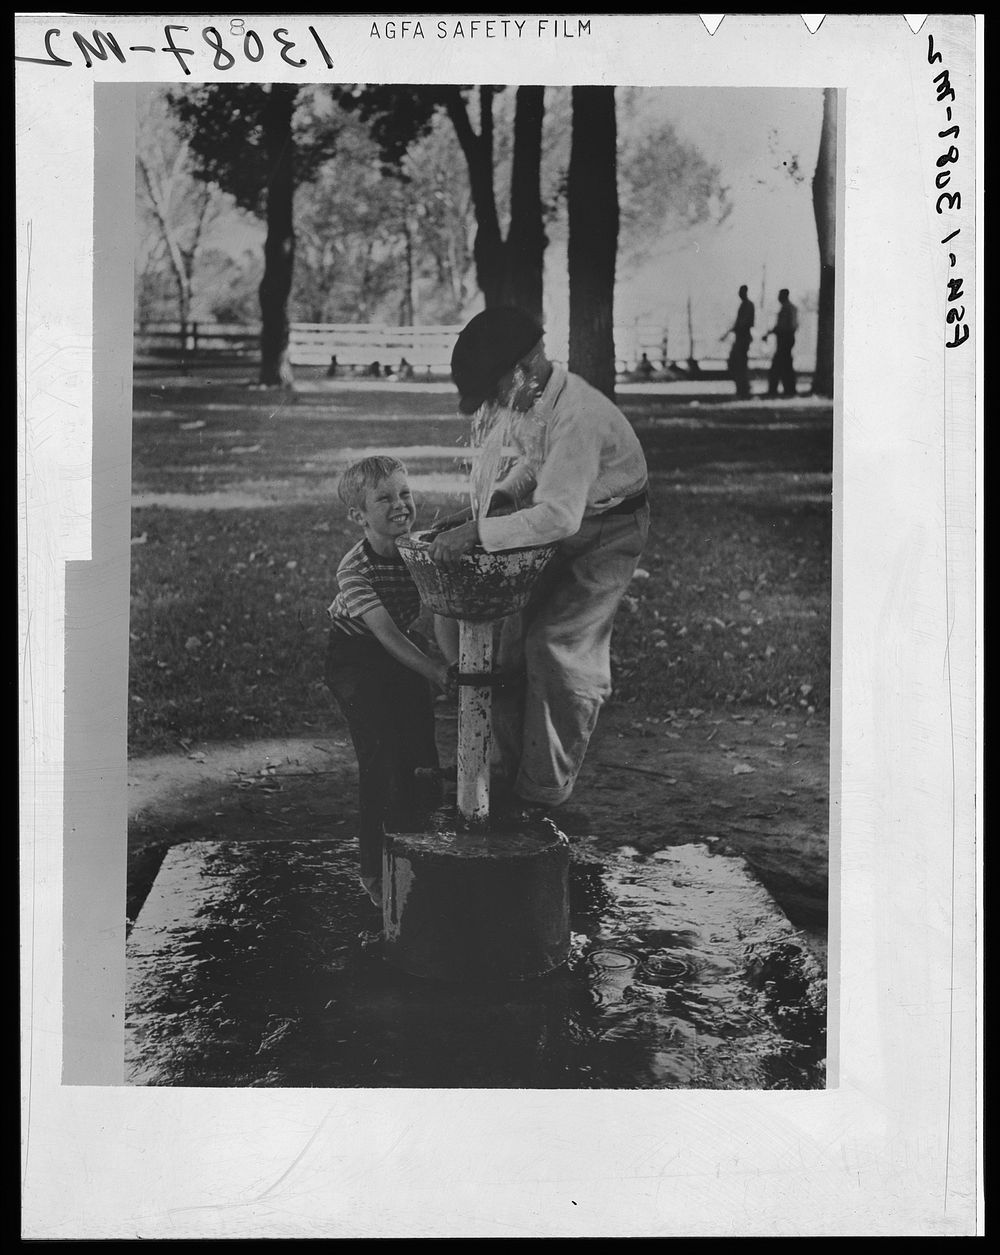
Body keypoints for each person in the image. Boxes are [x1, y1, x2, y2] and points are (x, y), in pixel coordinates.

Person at [428, 306, 649, 816]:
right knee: (506, 639)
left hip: (610, 530)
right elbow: (535, 461)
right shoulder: (535, 398)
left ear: (523, 369)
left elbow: (560, 517)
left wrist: (478, 533)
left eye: (495, 391)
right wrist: (501, 499)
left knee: (556, 649)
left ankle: (546, 794)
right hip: (563, 515)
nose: (495, 405)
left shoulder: (579, 418)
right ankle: (507, 771)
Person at [324, 455, 455, 905]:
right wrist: (437, 671)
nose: (400, 505)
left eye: (405, 494)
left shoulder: (416, 551)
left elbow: (440, 611)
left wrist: (453, 667)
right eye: (384, 499)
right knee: (382, 760)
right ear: (358, 516)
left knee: (420, 752)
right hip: (356, 656)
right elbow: (386, 636)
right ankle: (374, 872)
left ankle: (422, 854)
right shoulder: (354, 570)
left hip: (402, 649)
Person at [720, 284, 755, 399]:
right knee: (735, 363)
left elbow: (745, 323)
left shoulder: (748, 305)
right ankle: (742, 388)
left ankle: (744, 389)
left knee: (739, 363)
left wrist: (735, 329)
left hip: (743, 338)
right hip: (740, 338)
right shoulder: (743, 305)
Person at [764, 288, 799, 398]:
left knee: (779, 366)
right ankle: (789, 389)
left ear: (784, 295)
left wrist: (771, 333)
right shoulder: (790, 308)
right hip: (787, 340)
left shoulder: (787, 309)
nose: (778, 297)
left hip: (785, 340)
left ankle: (775, 390)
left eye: (780, 295)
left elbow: (784, 326)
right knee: (786, 366)